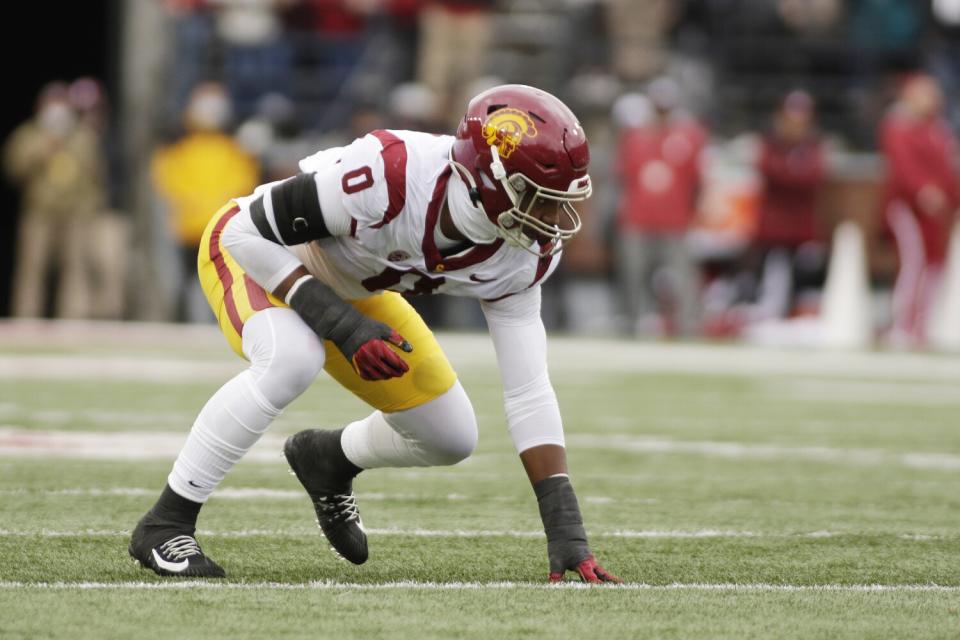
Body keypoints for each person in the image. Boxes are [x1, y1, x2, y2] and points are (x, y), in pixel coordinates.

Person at [129, 84, 620, 584]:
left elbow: (528, 387)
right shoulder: (390, 174)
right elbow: (245, 233)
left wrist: (565, 528)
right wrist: (340, 324)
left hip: (351, 285)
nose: (554, 219)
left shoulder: (523, 253)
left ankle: (327, 460)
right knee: (292, 358)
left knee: (450, 435)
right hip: (259, 254)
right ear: (489, 182)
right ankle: (166, 522)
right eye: (540, 199)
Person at [613, 77, 707, 337]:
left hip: (675, 220)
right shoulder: (635, 136)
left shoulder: (689, 136)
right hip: (638, 217)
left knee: (683, 278)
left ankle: (690, 328)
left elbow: (697, 181)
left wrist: (691, 215)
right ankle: (631, 326)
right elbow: (623, 178)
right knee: (632, 276)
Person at [879, 73, 960, 348]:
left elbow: (948, 170)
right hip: (909, 208)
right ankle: (904, 325)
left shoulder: (939, 130)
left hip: (938, 214)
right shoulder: (899, 126)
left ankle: (924, 324)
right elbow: (904, 168)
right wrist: (923, 190)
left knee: (936, 265)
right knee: (914, 263)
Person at [750, 90, 826, 321]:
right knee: (772, 281)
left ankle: (792, 319)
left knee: (802, 282)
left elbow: (814, 177)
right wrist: (793, 174)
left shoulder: (812, 147)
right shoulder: (771, 145)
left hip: (801, 230)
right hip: (774, 229)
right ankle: (769, 318)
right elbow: (772, 172)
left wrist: (791, 174)